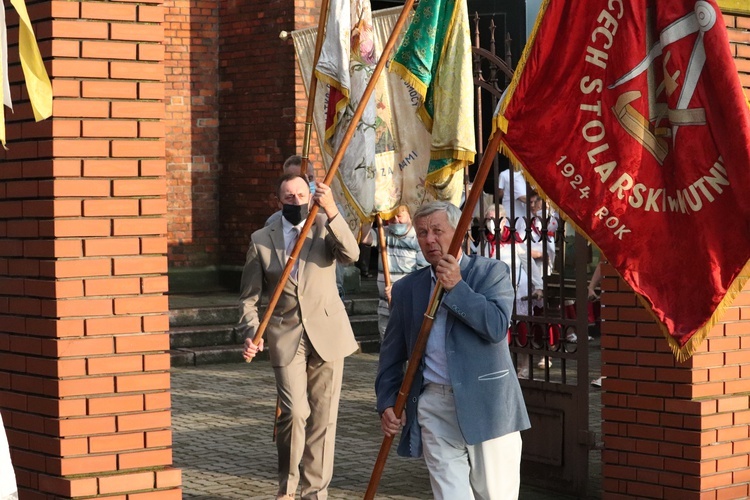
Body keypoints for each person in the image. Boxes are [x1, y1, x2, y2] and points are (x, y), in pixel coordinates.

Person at [376, 201, 530, 500]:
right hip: (434, 403)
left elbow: (496, 327)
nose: (429, 240)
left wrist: (457, 287)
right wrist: (386, 401)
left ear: (460, 231)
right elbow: (391, 354)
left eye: (437, 230)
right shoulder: (408, 288)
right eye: (422, 233)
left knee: (496, 494)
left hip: (489, 404)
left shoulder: (491, 272)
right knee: (450, 495)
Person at [239, 173, 360, 499]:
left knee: (323, 419)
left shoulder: (323, 226)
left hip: (328, 333)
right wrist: (252, 331)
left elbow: (351, 254)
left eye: (300, 196)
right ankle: (287, 489)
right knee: (295, 412)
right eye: (288, 197)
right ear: (279, 200)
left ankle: (314, 493)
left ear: (310, 197)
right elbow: (249, 299)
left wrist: (332, 208)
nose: (295, 202)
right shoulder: (262, 239)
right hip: (284, 335)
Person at [362, 205, 429, 340]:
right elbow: (365, 238)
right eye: (391, 216)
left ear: (409, 215)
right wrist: (368, 216)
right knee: (388, 351)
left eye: (399, 216)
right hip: (385, 308)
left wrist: (399, 290)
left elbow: (424, 276)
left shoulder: (418, 238)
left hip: (409, 308)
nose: (396, 220)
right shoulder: (383, 233)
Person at [265, 155, 317, 227]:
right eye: (298, 179)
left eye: (310, 178)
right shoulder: (274, 222)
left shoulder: (330, 212)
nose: (306, 183)